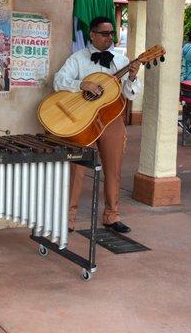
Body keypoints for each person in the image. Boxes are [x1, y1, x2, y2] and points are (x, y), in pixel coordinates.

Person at [53, 16, 141, 234]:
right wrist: (81, 84)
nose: (109, 38)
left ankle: (111, 216)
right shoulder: (78, 58)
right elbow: (58, 81)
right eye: (104, 33)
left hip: (112, 120)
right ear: (92, 34)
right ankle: (69, 218)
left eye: (112, 34)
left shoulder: (120, 61)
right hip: (84, 120)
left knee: (114, 168)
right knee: (77, 168)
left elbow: (130, 94)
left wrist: (131, 77)